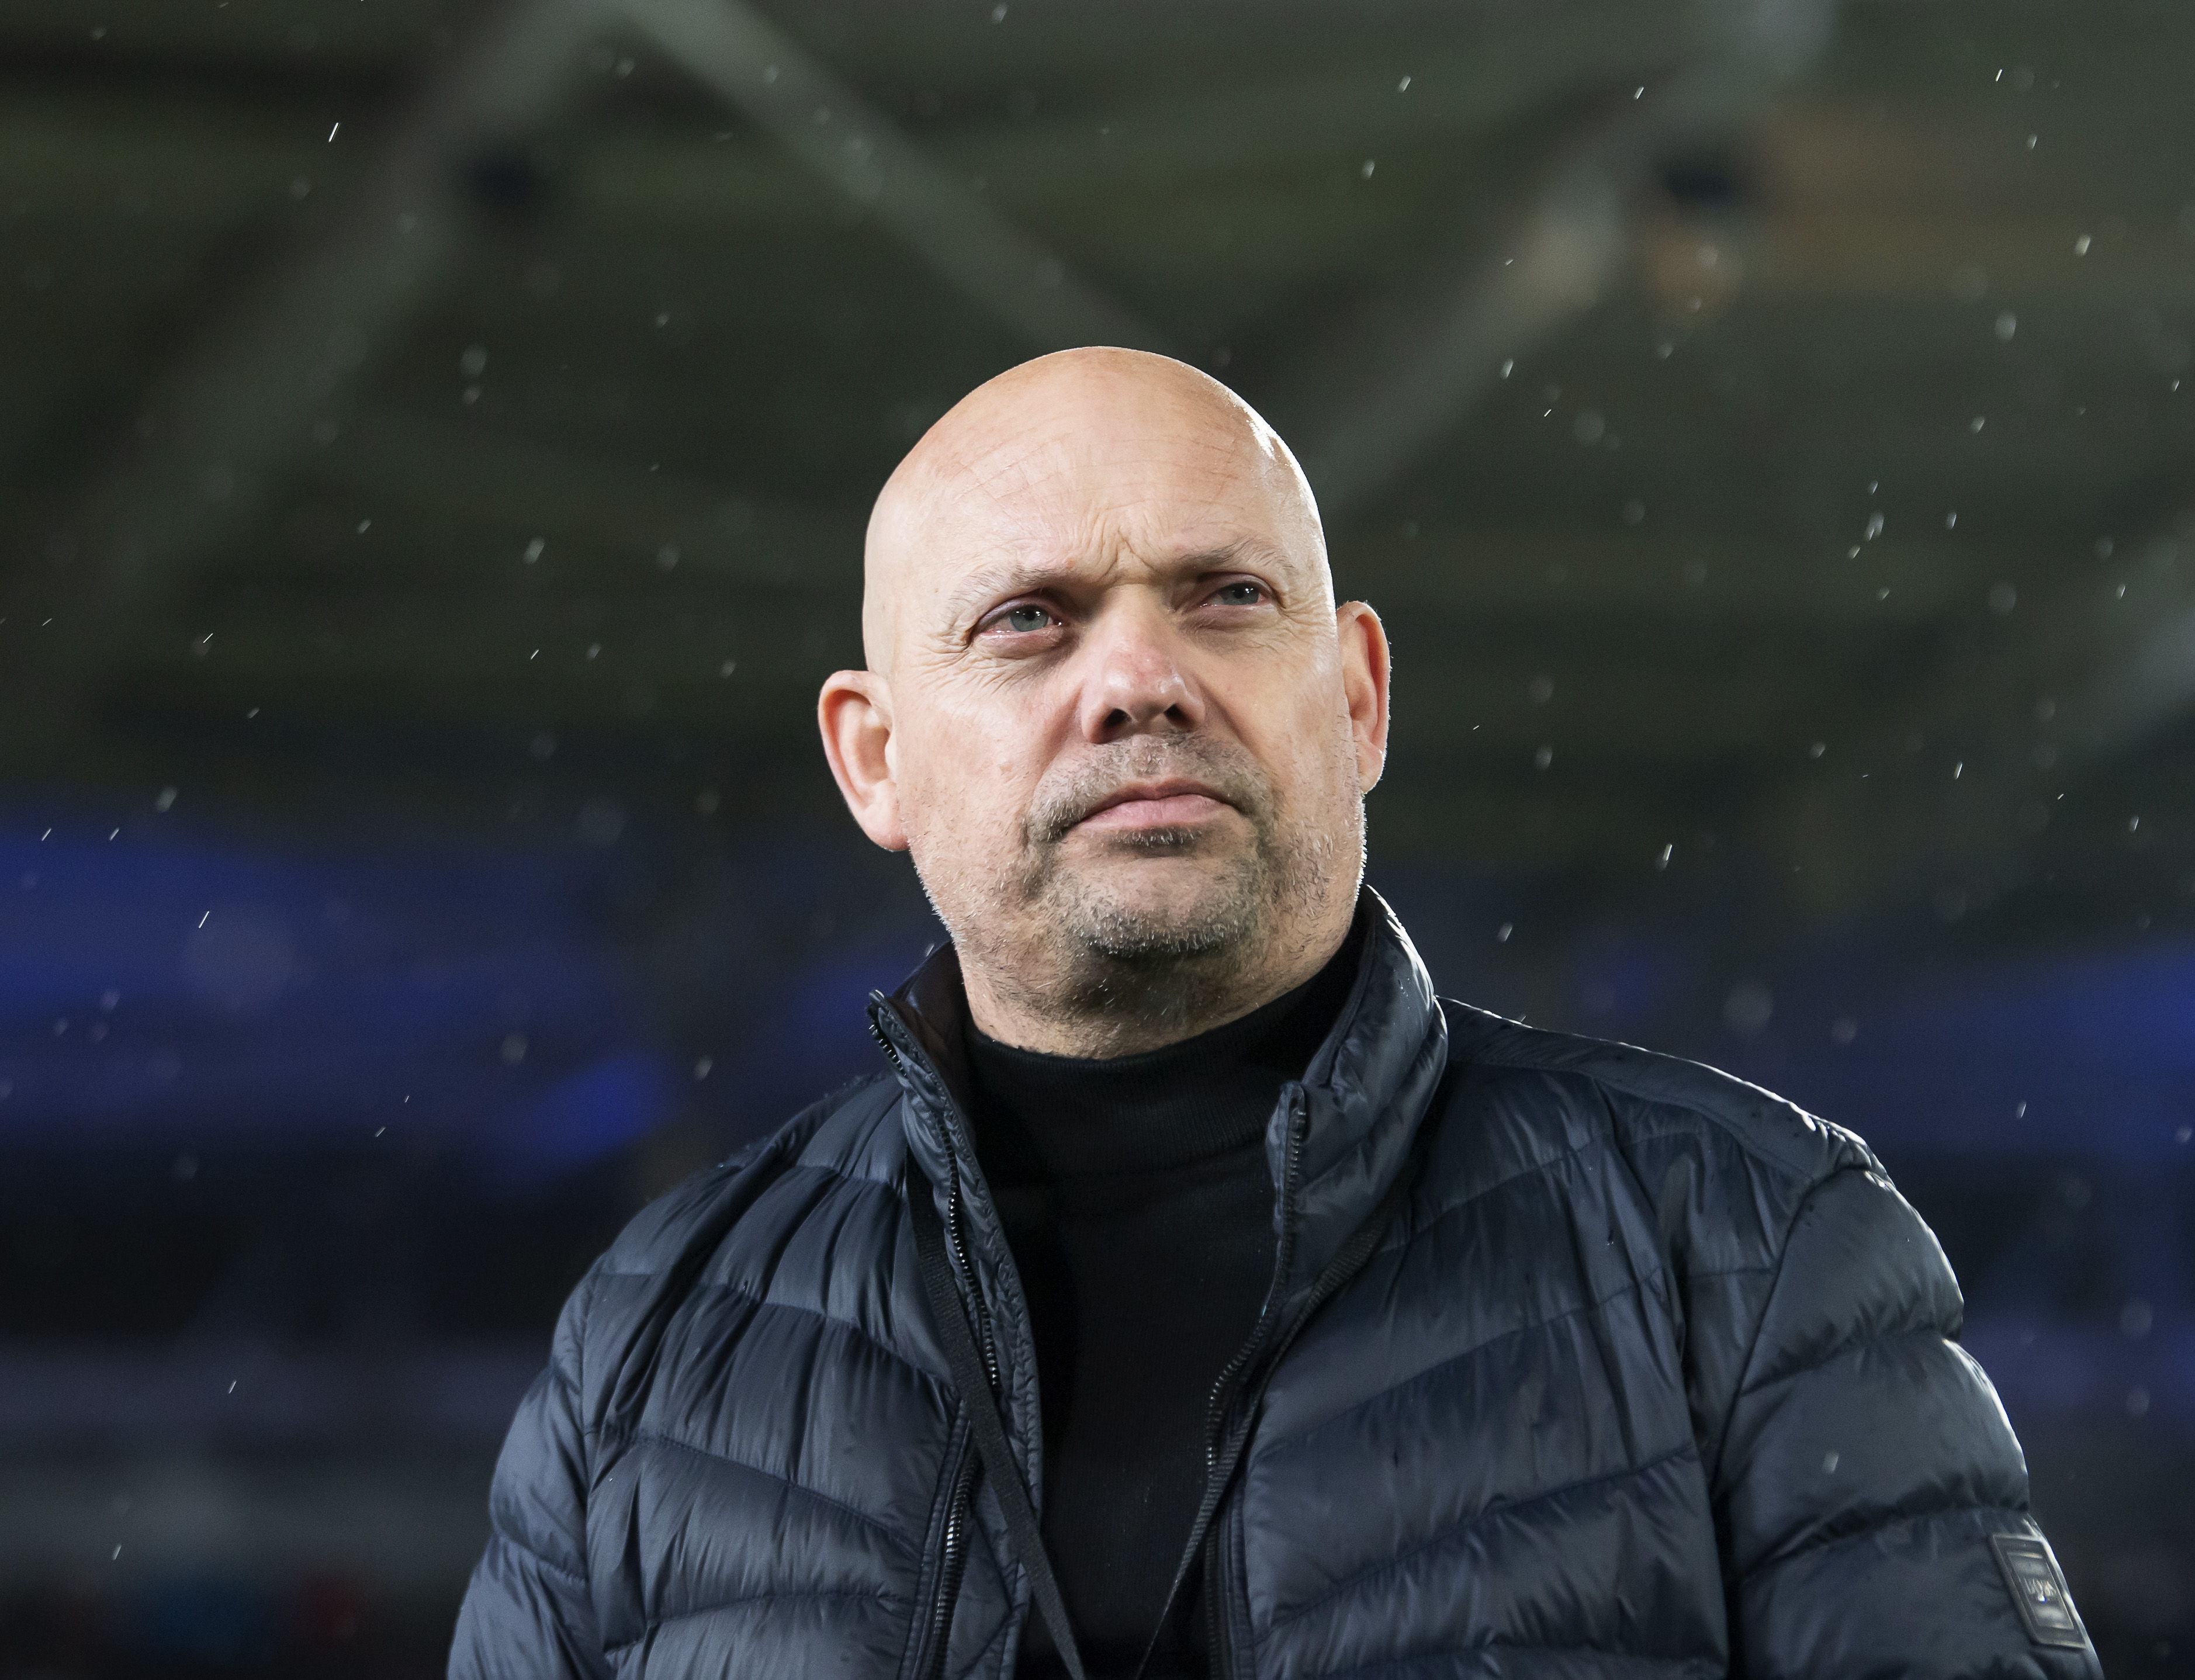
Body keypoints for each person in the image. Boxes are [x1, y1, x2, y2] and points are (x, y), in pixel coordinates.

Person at [451, 349, 2099, 1679]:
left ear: (1360, 696)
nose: (1138, 677)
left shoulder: (1748, 1247)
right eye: (1030, 619)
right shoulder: (651, 1341)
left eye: (1225, 596)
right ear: (873, 755)